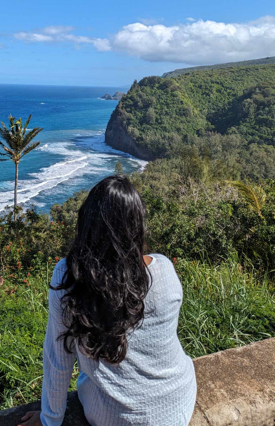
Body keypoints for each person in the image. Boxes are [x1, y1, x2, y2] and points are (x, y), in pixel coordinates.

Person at [18, 175, 197, 426]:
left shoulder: (70, 276)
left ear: (86, 222)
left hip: (114, 416)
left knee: (86, 384)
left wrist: (50, 419)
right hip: (176, 404)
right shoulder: (164, 270)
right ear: (138, 227)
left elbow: (58, 358)